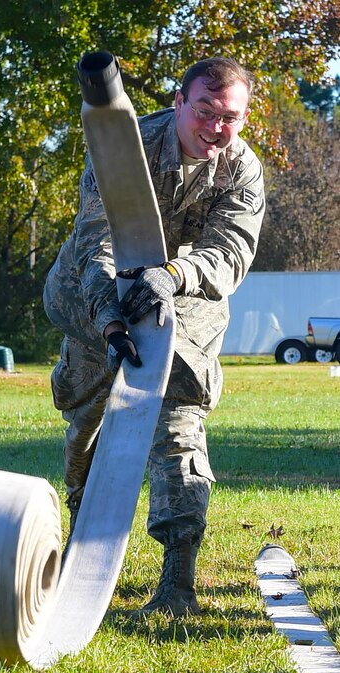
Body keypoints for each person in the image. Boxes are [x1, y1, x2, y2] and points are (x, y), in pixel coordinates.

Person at [43, 57, 265, 616]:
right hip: (97, 292)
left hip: (184, 300)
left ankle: (177, 583)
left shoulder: (242, 170)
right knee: (89, 419)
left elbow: (231, 252)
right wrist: (108, 318)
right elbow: (95, 240)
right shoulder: (125, 148)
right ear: (178, 102)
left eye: (230, 117)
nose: (217, 127)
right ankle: (82, 548)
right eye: (206, 111)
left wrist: (173, 276)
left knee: (178, 424)